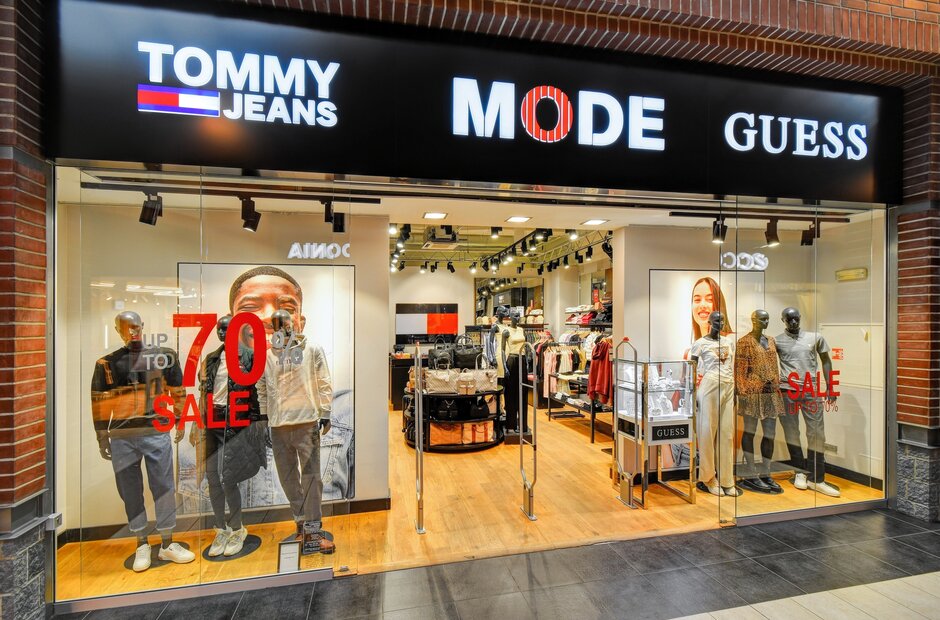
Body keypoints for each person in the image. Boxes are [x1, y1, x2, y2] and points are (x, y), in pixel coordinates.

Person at [91, 311, 195, 572]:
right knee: (130, 490)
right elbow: (99, 402)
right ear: (118, 331)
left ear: (143, 326)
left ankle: (167, 542)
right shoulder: (107, 364)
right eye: (125, 328)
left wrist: (180, 419)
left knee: (163, 486)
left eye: (135, 326)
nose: (132, 332)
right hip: (122, 436)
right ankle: (141, 542)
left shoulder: (164, 356)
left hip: (155, 430)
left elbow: (177, 390)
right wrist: (102, 435)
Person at [194, 315, 267, 557]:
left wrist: (258, 422)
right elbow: (203, 392)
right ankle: (221, 529)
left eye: (226, 329)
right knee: (212, 476)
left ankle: (237, 528)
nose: (222, 333)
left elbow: (258, 391)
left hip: (235, 422)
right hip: (212, 421)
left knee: (229, 478)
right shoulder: (211, 359)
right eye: (219, 329)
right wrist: (198, 422)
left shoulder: (249, 357)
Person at [776, 307, 840, 497]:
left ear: (800, 317)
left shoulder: (815, 337)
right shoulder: (777, 341)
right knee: (791, 432)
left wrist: (830, 387)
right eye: (789, 319)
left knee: (817, 433)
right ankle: (799, 472)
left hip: (810, 389)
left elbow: (826, 360)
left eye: (796, 318)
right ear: (782, 320)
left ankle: (817, 478)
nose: (793, 322)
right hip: (787, 390)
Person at [690, 277, 733, 341]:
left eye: (710, 299)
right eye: (697, 300)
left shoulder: (730, 341)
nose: (702, 305)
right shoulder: (696, 345)